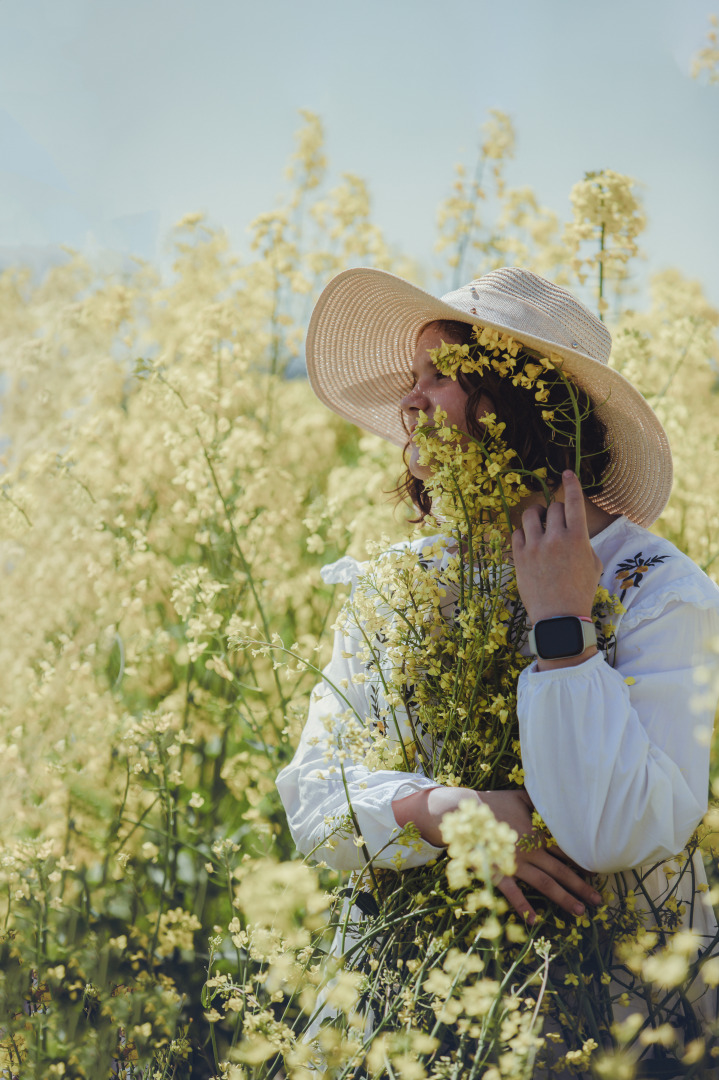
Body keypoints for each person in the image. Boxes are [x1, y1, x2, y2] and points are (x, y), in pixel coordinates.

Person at [276, 267, 719, 1063]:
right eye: (410, 378)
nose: (407, 403)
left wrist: (562, 623)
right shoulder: (396, 585)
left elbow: (609, 832)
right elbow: (313, 800)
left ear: (523, 402)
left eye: (439, 375)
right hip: (408, 1005)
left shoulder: (657, 590)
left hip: (610, 1019)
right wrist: (456, 815)